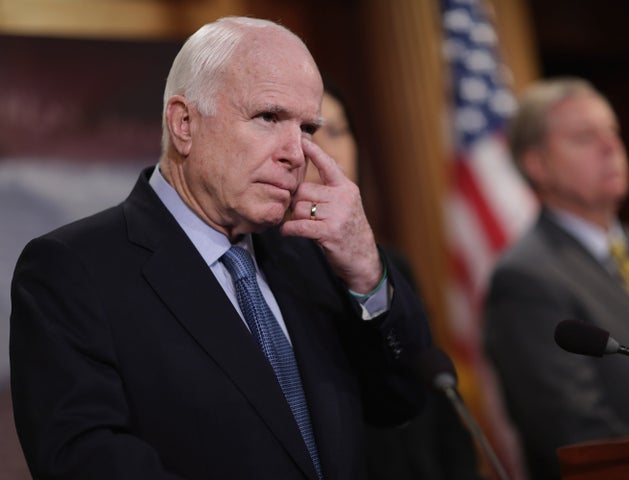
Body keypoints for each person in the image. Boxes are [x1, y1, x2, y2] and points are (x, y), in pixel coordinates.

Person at [9, 17, 432, 480]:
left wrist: (367, 274)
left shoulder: (313, 256)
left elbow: (405, 400)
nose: (296, 153)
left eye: (307, 127)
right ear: (184, 123)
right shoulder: (72, 270)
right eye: (268, 117)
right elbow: (87, 462)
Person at [483, 76, 629, 479]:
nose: (611, 146)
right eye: (584, 137)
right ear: (536, 163)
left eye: (612, 131)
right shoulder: (524, 280)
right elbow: (575, 428)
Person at [307, 84, 483, 480]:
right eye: (311, 133)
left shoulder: (392, 263)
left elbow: (435, 391)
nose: (329, 151)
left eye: (339, 131)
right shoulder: (266, 268)